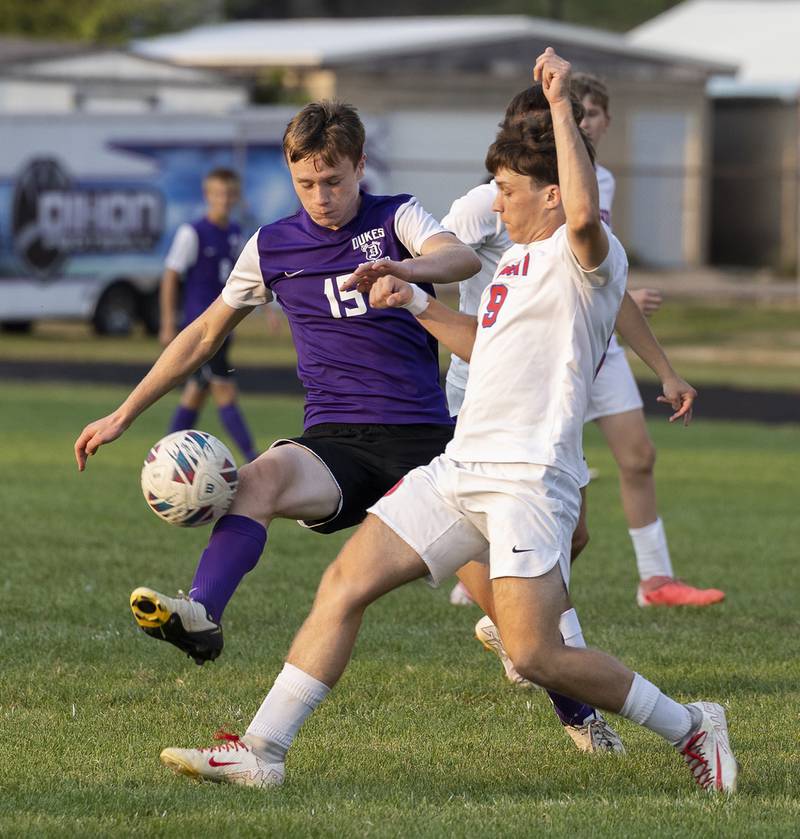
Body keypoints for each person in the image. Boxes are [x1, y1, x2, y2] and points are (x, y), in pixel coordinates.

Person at [154, 51, 737, 794]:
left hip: (531, 478)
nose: (496, 204)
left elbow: (586, 215)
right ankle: (262, 750)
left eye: (507, 190)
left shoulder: (586, 256)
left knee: (534, 653)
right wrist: (418, 305)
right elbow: (484, 349)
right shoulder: (517, 265)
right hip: (459, 467)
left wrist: (559, 103)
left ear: (553, 195)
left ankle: (693, 725)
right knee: (343, 583)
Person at [75, 99, 619, 755]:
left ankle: (580, 715)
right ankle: (202, 612)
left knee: (510, 616)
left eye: (333, 180)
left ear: (360, 165)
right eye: (306, 183)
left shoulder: (396, 216)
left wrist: (404, 269)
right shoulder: (272, 245)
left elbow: (459, 260)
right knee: (260, 478)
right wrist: (124, 412)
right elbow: (203, 334)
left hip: (428, 444)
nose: (321, 196)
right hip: (336, 442)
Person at [448, 73, 723, 620]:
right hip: (500, 374)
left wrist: (665, 369)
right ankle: (529, 632)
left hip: (579, 359)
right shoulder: (490, 201)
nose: (580, 126)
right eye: (567, 118)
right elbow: (441, 253)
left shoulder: (593, 188)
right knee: (478, 517)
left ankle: (636, 587)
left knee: (579, 524)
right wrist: (410, 288)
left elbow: (601, 278)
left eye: (584, 117)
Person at [160, 168, 258, 464]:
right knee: (224, 389)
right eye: (218, 194)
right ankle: (254, 459)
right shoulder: (192, 232)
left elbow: (247, 277)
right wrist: (167, 323)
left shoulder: (236, 233)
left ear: (236, 196)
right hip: (201, 330)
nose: (224, 200)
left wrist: (269, 310)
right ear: (207, 196)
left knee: (196, 392)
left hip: (225, 328)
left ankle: (165, 458)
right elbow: (170, 276)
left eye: (229, 194)